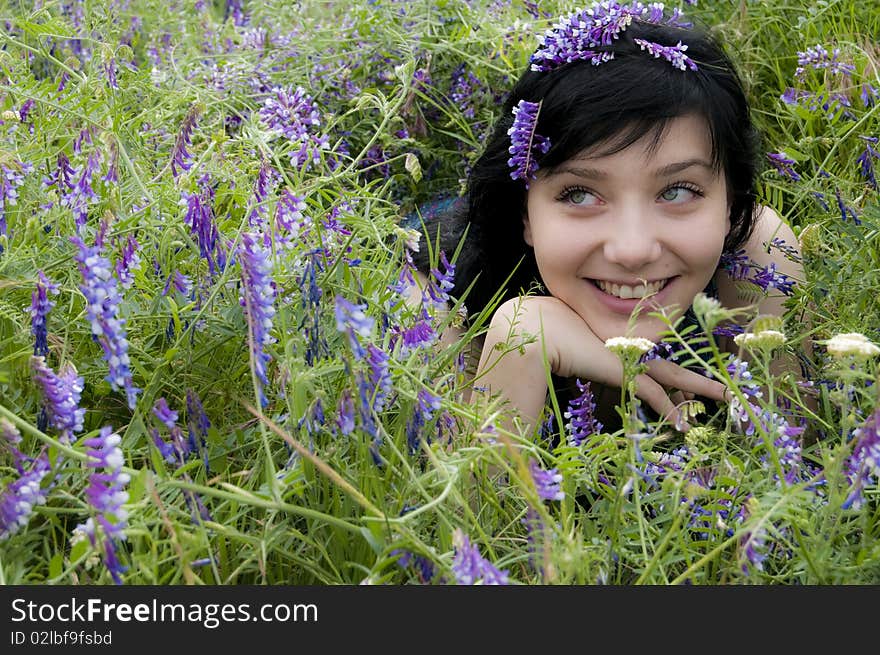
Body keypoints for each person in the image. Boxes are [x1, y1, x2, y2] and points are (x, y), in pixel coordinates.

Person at [405, 3, 804, 435]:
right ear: (525, 213)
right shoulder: (431, 303)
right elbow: (475, 501)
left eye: (677, 191)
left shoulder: (757, 257)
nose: (632, 251)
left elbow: (794, 464)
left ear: (730, 204)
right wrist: (518, 343)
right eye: (579, 194)